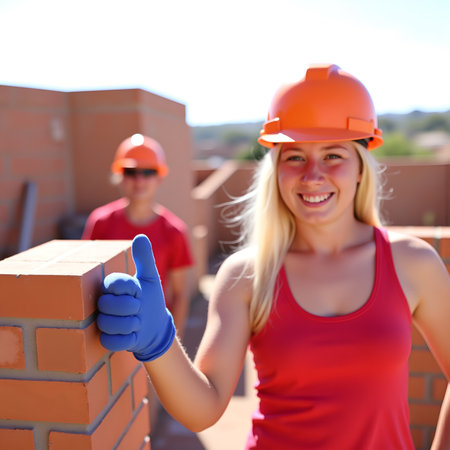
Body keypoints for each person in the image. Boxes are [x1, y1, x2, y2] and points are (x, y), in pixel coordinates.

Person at [96, 65, 450, 449]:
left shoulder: (414, 263)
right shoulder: (245, 275)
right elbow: (205, 407)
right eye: (294, 157)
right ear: (276, 169)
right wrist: (158, 344)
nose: (312, 175)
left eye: (333, 155)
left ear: (362, 167)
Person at [82, 133, 193, 337]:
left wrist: (171, 343)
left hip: (152, 332)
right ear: (120, 175)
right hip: (106, 330)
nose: (139, 180)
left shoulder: (174, 231)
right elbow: (85, 282)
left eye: (148, 172)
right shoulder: (100, 222)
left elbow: (180, 295)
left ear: (159, 177)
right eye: (131, 171)